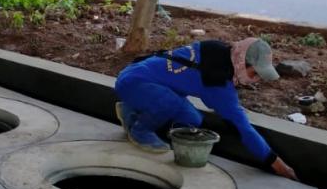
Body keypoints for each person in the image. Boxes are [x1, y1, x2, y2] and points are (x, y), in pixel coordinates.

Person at [114, 37, 298, 180]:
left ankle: (131, 110)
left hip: (140, 77)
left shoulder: (220, 52)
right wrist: (276, 163)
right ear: (241, 62)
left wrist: (233, 107)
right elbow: (243, 128)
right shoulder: (217, 81)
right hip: (133, 83)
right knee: (169, 104)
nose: (256, 80)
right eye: (255, 73)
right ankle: (140, 130)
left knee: (193, 120)